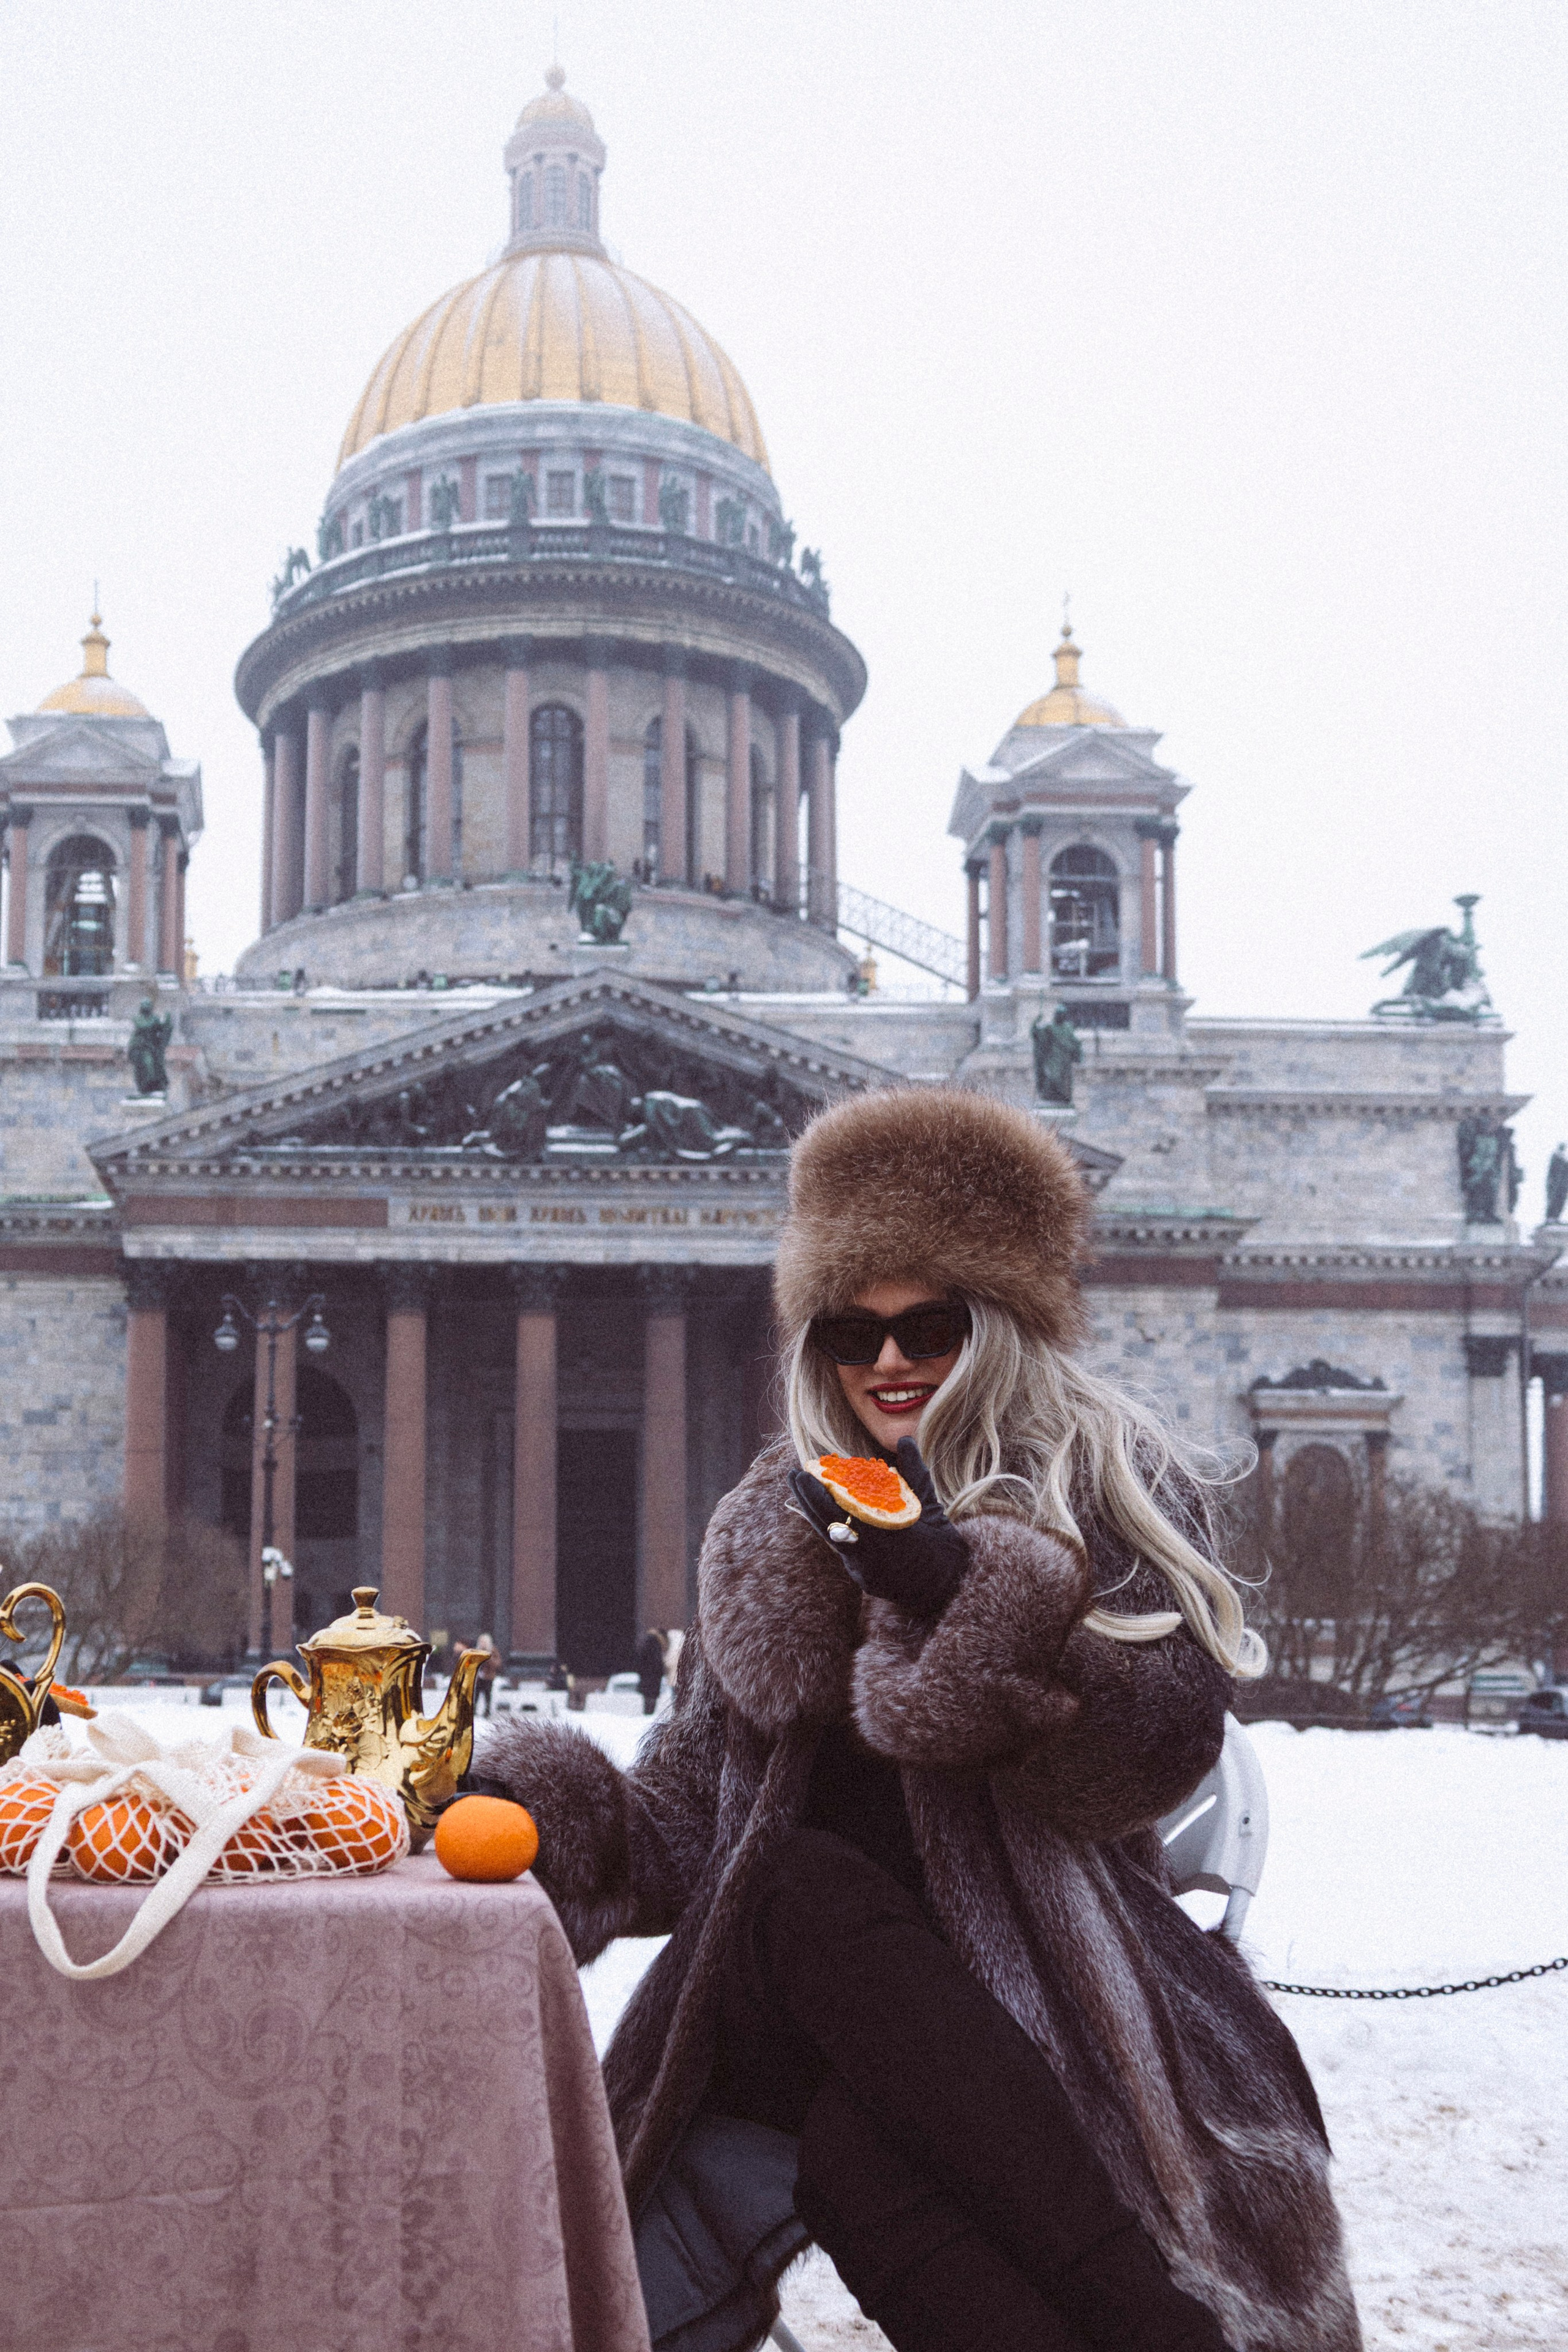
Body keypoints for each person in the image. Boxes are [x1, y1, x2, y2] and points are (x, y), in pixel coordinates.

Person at [476, 1091, 1360, 2352]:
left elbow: (1153, 1752)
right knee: (791, 1884)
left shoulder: (1103, 1481)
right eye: (851, 1331)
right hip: (786, 1991)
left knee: (859, 2151)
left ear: (998, 1326)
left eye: (928, 1326)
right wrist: (526, 1807)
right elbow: (681, 1816)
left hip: (1041, 1994)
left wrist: (966, 1596)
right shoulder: (770, 1521)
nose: (887, 1362)